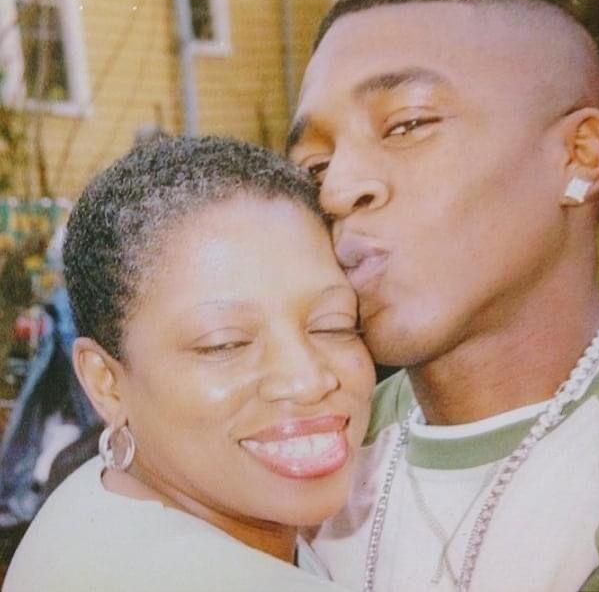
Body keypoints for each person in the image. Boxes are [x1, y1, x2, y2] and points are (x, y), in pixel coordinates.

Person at [287, 0, 599, 591]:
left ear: (579, 156)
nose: (337, 190)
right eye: (316, 167)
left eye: (407, 125)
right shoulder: (308, 444)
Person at [3, 136, 375, 592]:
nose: (307, 379)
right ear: (106, 383)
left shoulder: (98, 495)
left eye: (335, 325)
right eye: (225, 343)